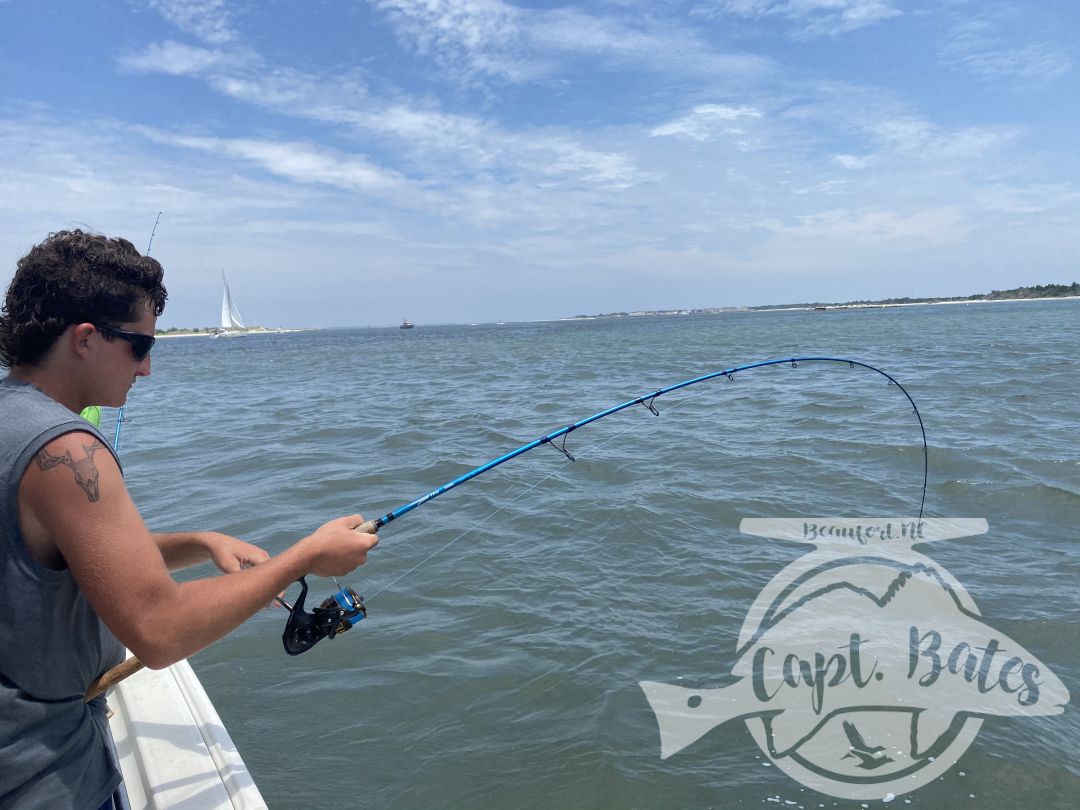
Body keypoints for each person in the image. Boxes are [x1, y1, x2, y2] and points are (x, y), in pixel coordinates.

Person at [0, 230, 379, 809]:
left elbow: (58, 554)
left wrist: (200, 543)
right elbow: (159, 632)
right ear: (84, 339)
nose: (147, 369)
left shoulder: (10, 420)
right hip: (44, 779)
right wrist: (304, 558)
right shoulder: (68, 449)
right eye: (138, 346)